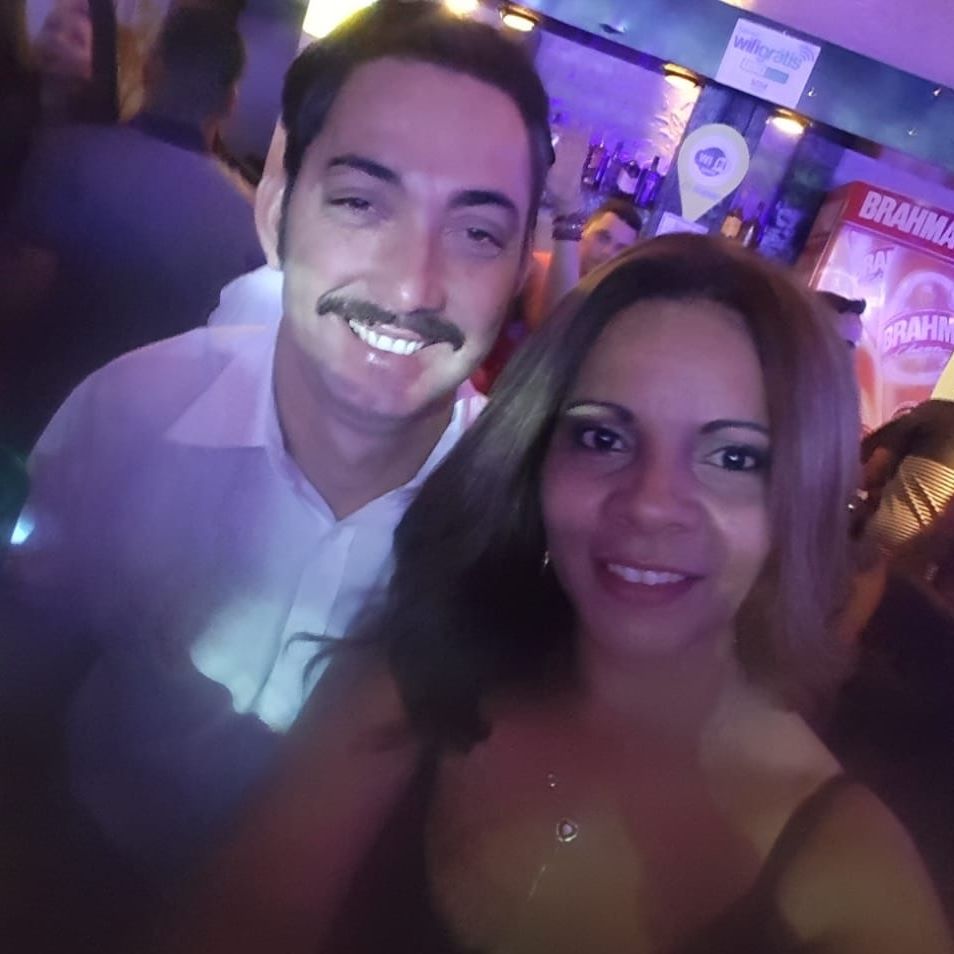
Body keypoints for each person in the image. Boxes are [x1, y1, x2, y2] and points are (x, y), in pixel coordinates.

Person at [169, 235, 951, 954]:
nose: (651, 504)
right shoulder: (420, 671)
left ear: (801, 496)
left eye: (733, 458)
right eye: (603, 438)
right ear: (535, 457)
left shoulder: (847, 877)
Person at [0, 0, 552, 915]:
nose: (413, 285)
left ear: (518, 271)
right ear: (277, 206)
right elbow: (22, 680)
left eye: (477, 232)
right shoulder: (133, 410)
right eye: (362, 202)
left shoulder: (526, 533)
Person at [6, 4, 262, 450]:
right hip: (139, 452)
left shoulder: (65, 156)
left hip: (29, 432)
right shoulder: (250, 222)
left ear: (149, 70)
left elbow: (16, 297)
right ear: (230, 103)